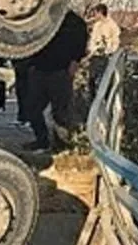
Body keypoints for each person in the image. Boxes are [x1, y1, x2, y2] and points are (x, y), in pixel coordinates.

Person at [13, 10, 90, 151]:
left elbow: (81, 42)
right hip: (38, 68)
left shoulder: (73, 21)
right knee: (32, 109)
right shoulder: (38, 16)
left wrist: (75, 61)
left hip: (61, 70)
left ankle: (63, 144)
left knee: (61, 112)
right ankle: (41, 140)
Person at [86, 3, 121, 100]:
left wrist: (109, 50)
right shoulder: (96, 25)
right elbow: (93, 40)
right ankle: (93, 99)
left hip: (105, 56)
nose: (94, 16)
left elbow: (115, 41)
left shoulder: (112, 25)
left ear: (100, 13)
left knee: (102, 79)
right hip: (94, 56)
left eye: (96, 13)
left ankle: (103, 99)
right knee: (91, 79)